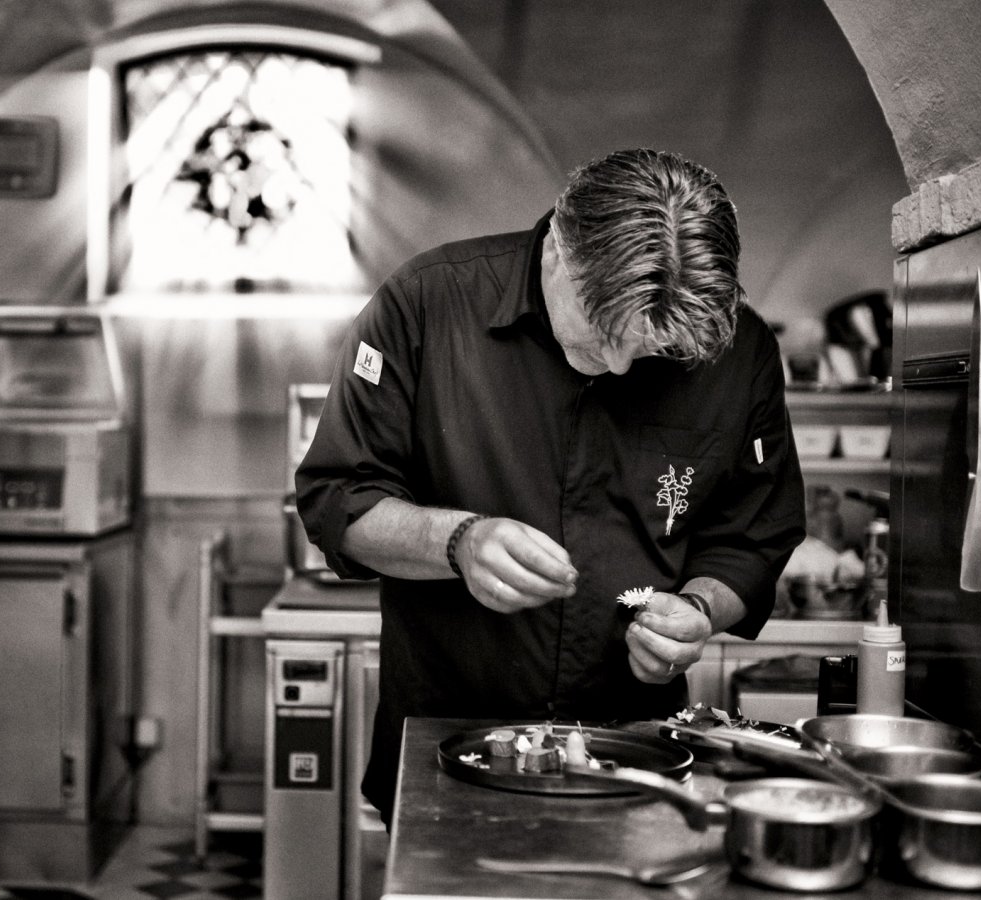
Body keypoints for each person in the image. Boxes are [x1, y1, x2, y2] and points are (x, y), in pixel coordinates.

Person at [294, 148, 806, 825]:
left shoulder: (739, 354)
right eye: (600, 338)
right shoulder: (426, 304)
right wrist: (457, 542)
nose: (621, 369)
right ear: (560, 249)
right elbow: (336, 497)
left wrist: (700, 610)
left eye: (651, 354)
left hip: (638, 764)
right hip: (443, 750)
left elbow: (753, 533)